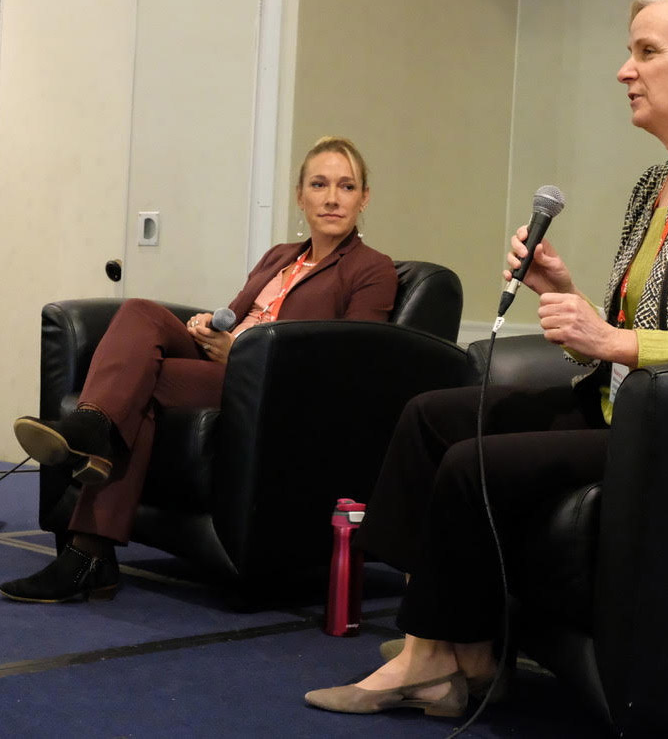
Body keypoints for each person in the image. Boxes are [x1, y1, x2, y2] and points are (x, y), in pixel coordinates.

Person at [304, 0, 668, 719]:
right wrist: (564, 295)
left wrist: (615, 339)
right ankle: (470, 645)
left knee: (470, 457)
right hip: (621, 406)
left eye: (645, 50)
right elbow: (619, 341)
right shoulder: (655, 183)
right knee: (430, 417)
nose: (623, 69)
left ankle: (429, 658)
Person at [1, 136, 398, 604]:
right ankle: (92, 429)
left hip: (266, 385)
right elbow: (238, 313)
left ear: (364, 198)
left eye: (346, 186)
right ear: (300, 195)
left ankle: (88, 547)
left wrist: (244, 355)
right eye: (319, 184)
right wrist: (209, 327)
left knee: (141, 387)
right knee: (140, 312)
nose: (332, 198)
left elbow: (350, 360)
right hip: (228, 360)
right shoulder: (279, 257)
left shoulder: (372, 270)